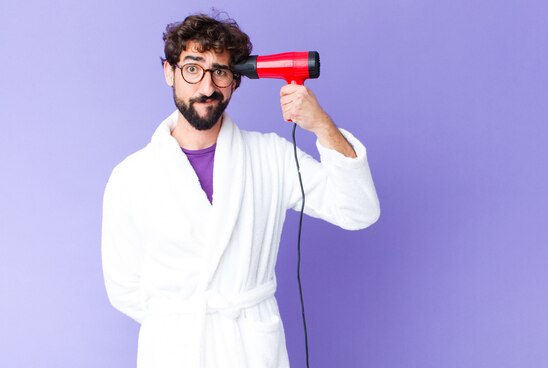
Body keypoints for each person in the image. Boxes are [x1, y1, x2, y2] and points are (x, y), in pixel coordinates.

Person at [101, 13, 380, 368]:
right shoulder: (131, 177)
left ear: (235, 81)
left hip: (250, 349)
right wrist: (178, 324)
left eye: (220, 72)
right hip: (173, 352)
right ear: (169, 72)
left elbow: (358, 210)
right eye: (192, 68)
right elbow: (123, 287)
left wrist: (321, 125)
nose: (206, 87)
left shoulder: (271, 157)